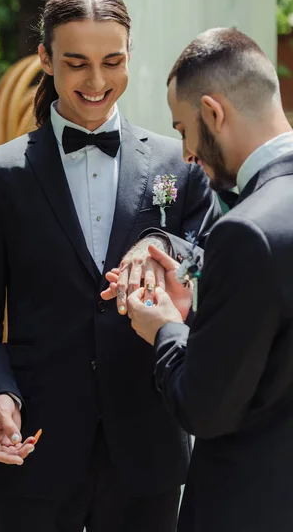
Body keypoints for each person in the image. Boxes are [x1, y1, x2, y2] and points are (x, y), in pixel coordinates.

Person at [0, 0, 220, 532]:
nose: (97, 82)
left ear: (129, 56)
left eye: (112, 61)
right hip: (35, 448)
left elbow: (211, 258)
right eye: (76, 63)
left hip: (148, 450)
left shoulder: (179, 161)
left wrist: (164, 245)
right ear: (45, 59)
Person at [124, 27, 293, 532]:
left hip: (251, 506)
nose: (187, 155)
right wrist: (200, 300)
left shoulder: (244, 230)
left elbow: (206, 408)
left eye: (183, 129)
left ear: (214, 113)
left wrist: (166, 328)